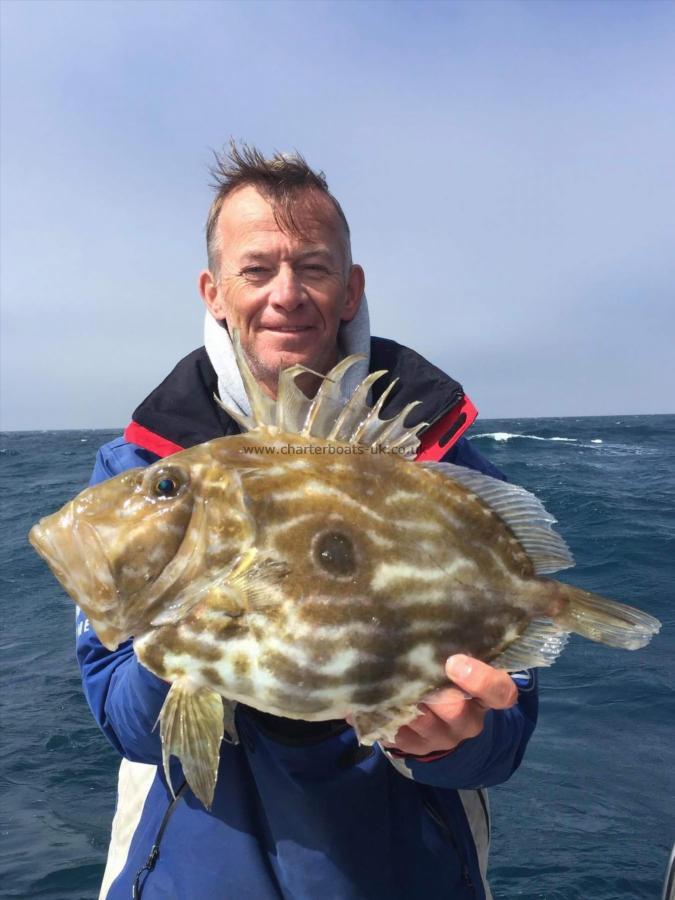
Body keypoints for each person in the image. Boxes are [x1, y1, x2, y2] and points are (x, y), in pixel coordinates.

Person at [78, 144, 538, 900]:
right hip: (192, 872)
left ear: (350, 290)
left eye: (313, 268)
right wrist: (181, 639)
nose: (285, 294)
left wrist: (457, 739)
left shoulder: (438, 463)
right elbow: (123, 724)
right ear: (214, 292)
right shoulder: (140, 473)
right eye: (256, 269)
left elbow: (503, 736)